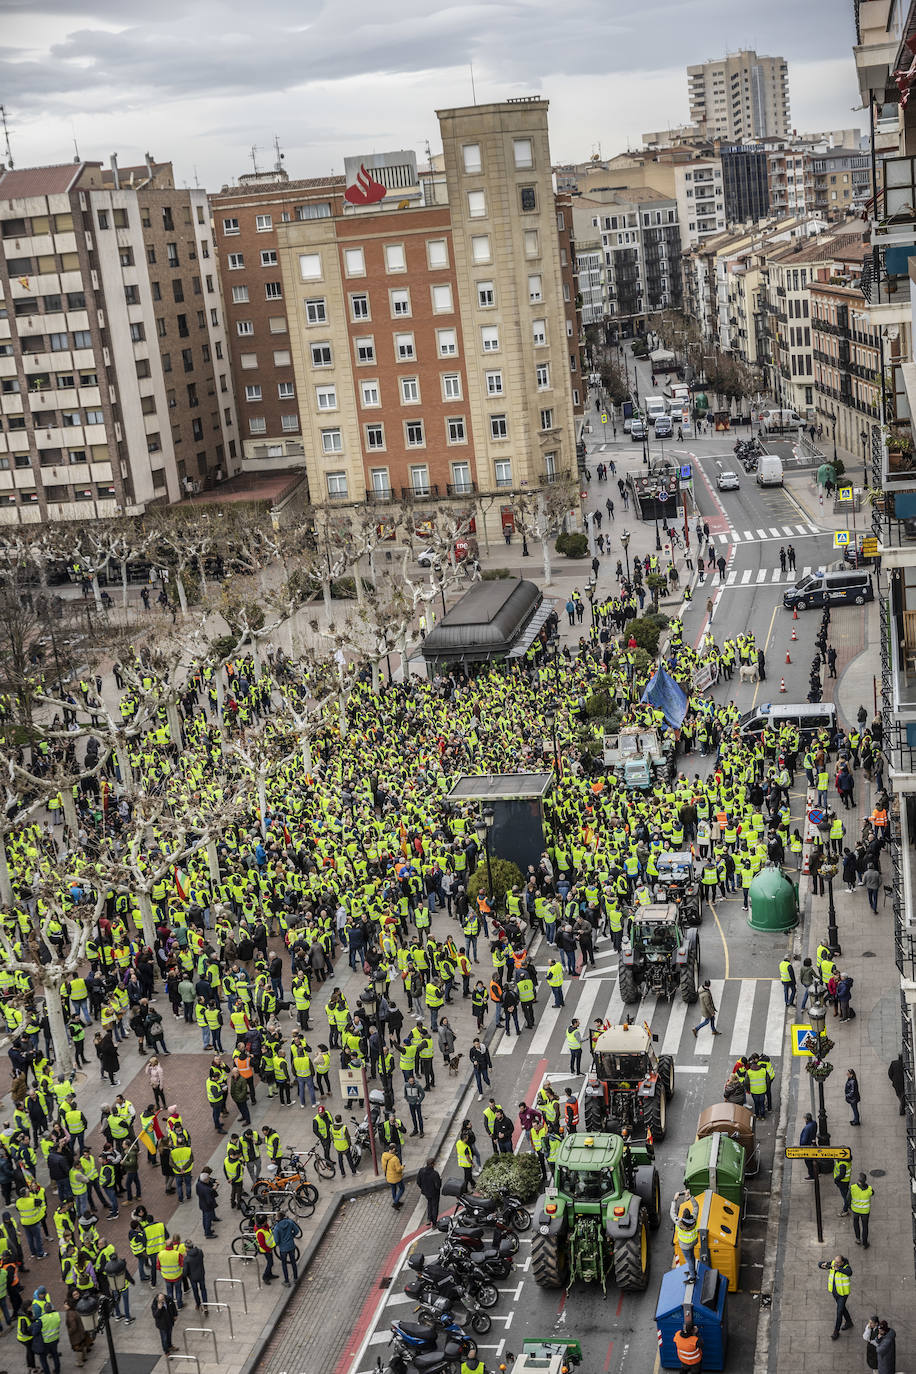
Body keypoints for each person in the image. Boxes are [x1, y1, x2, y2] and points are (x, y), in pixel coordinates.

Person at [818, 1255, 853, 1339]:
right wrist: (822, 1265)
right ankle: (849, 1322)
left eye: (837, 1262)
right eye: (835, 1261)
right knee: (842, 1308)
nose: (835, 1263)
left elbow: (849, 1273)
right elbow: (819, 1264)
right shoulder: (833, 1263)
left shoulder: (846, 1267)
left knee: (839, 1312)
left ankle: (836, 1331)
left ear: (842, 1262)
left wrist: (838, 1269)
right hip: (835, 1292)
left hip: (843, 1294)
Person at [272, 1214, 302, 1286]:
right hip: (291, 1246)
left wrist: (279, 1244)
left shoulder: (276, 1228)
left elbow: (276, 1240)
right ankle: (295, 1278)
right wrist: (292, 1236)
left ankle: (287, 1281)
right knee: (293, 1262)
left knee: (284, 1264)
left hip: (283, 1248)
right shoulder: (289, 1222)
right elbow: (297, 1231)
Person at [848, 1173, 873, 1248]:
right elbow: (872, 1193)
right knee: (865, 1227)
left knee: (856, 1224)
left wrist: (850, 1207)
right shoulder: (869, 1189)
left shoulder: (853, 1187)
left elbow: (847, 1199)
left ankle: (858, 1239)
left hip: (855, 1211)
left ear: (858, 1180)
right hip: (865, 1212)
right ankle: (865, 1243)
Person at [416, 1160, 442, 1226]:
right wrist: (440, 1180)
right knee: (434, 1206)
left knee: (429, 1203)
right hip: (434, 1193)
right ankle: (434, 1223)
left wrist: (423, 1188)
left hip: (426, 1192)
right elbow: (438, 1186)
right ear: (433, 1164)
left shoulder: (421, 1171)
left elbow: (418, 1182)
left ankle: (429, 1218)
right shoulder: (435, 1174)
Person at [799, 1113, 818, 1181]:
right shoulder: (814, 1123)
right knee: (814, 1159)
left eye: (804, 1119)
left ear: (807, 1119)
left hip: (807, 1147)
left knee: (808, 1162)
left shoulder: (807, 1128)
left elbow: (804, 1141)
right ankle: (816, 1171)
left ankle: (812, 1175)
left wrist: (801, 1146)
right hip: (813, 1144)